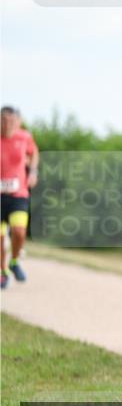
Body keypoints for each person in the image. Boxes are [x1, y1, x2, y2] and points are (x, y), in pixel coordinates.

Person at [1, 106, 39, 290]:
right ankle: (3, 273)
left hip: (18, 194)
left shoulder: (24, 137)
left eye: (11, 120)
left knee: (19, 232)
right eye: (3, 120)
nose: (7, 124)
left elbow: (33, 153)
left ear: (18, 122)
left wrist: (32, 171)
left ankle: (14, 261)